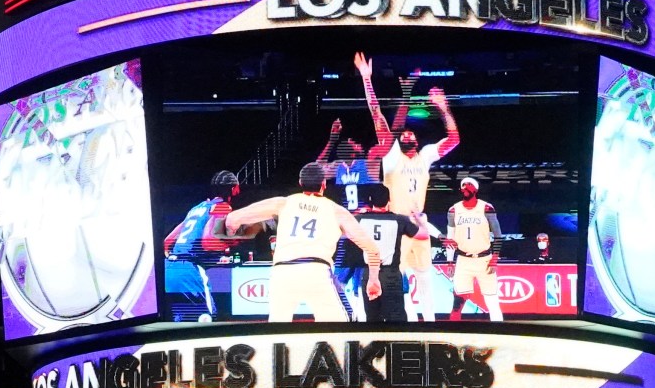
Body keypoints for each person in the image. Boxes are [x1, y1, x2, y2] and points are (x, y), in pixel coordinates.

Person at [356, 51, 460, 321]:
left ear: (416, 138)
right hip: (394, 224)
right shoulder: (391, 154)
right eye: (403, 134)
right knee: (396, 281)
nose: (407, 134)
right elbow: (376, 113)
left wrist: (443, 107)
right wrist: (367, 79)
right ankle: (407, 324)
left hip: (418, 222)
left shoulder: (426, 154)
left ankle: (431, 326)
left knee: (425, 277)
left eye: (410, 133)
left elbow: (454, 138)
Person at [220, 160, 383, 321]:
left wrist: (231, 231)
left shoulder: (283, 202)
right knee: (337, 329)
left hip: (282, 272)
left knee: (277, 330)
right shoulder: (336, 210)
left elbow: (233, 219)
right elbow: (372, 249)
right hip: (316, 270)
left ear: (300, 183)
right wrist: (373, 279)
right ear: (324, 184)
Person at [162, 169, 241, 321]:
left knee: (182, 323)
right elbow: (207, 241)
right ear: (233, 189)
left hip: (169, 269)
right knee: (206, 321)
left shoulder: (197, 208)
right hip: (189, 271)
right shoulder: (223, 206)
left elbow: (167, 242)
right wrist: (226, 245)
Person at [443, 175, 504, 320]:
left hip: (485, 260)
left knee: (492, 301)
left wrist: (495, 257)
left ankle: (499, 333)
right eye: (463, 185)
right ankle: (453, 335)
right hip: (464, 260)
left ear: (475, 189)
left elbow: (498, 235)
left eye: (469, 185)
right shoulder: (453, 210)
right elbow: (450, 238)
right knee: (457, 302)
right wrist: (449, 261)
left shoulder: (487, 208)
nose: (465, 187)